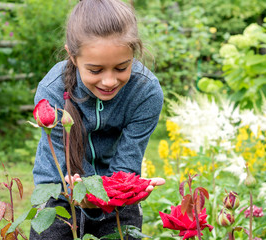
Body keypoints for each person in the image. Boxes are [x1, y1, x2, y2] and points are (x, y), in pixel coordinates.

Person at [30, 0, 165, 239]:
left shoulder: (146, 92)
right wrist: (85, 194)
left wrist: (123, 192)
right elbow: (63, 164)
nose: (109, 81)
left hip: (117, 190)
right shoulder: (52, 92)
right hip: (61, 190)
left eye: (122, 67)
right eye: (95, 70)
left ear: (134, 54)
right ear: (72, 56)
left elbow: (127, 162)